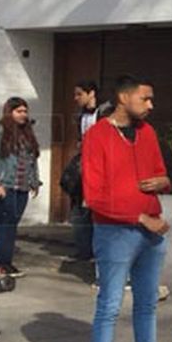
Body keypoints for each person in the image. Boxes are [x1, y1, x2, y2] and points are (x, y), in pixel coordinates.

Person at [82, 75, 172, 342]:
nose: (151, 105)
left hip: (151, 234)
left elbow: (161, 174)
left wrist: (165, 181)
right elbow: (94, 197)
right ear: (124, 98)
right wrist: (142, 218)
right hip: (115, 233)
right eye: (146, 99)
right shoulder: (97, 136)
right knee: (109, 308)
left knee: (147, 305)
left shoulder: (147, 132)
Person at [0, 97, 41, 276]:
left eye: (25, 111)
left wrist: (35, 181)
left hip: (21, 186)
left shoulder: (26, 133)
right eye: (19, 111)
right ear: (10, 112)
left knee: (11, 225)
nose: (23, 115)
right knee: (2, 224)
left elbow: (33, 159)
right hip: (4, 185)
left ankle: (5, 261)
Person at [65, 80, 105, 263]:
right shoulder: (80, 116)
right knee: (79, 208)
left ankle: (98, 251)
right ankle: (83, 250)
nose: (76, 98)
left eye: (79, 94)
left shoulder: (105, 112)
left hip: (101, 167)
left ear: (91, 93)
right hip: (84, 166)